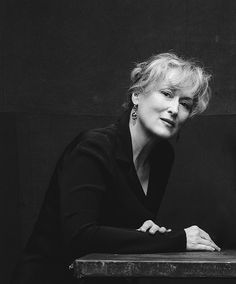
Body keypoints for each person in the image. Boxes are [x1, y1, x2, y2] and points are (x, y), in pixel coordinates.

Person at [12, 53, 221, 284]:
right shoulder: (94, 147)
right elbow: (79, 237)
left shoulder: (162, 157)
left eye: (185, 104)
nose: (174, 109)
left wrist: (145, 232)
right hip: (49, 277)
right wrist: (177, 239)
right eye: (167, 94)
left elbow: (127, 233)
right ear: (137, 95)